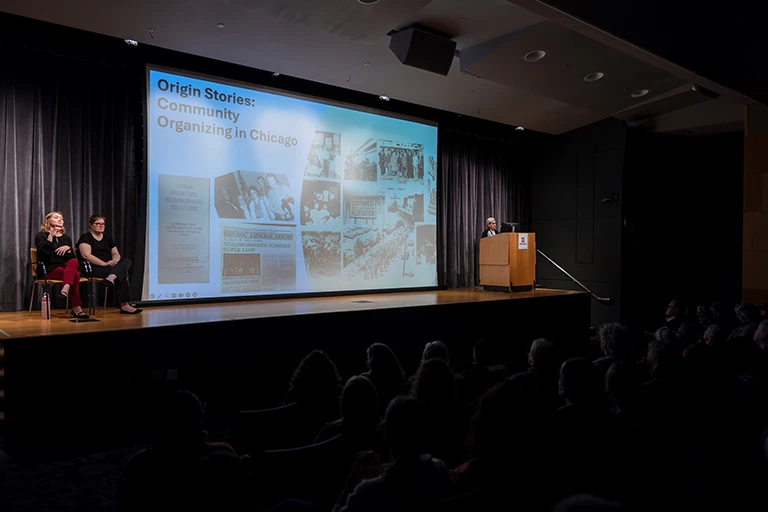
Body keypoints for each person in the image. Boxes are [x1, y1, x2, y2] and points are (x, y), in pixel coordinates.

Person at [77, 214, 142, 314]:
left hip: (109, 266)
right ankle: (125, 305)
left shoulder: (107, 238)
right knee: (121, 273)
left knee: (127, 261)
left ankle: (111, 277)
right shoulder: (85, 237)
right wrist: (104, 263)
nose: (101, 226)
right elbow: (86, 255)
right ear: (91, 225)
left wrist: (115, 261)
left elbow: (115, 253)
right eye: (97, 223)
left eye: (102, 224)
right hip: (92, 267)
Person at [34, 211, 89, 318]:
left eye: (61, 218)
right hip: (48, 268)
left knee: (74, 262)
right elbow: (43, 255)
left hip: (65, 267)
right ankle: (76, 308)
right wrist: (50, 236)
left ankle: (66, 287)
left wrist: (68, 249)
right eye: (56, 217)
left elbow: (71, 259)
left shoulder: (66, 238)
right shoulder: (41, 235)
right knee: (76, 275)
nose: (60, 220)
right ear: (48, 221)